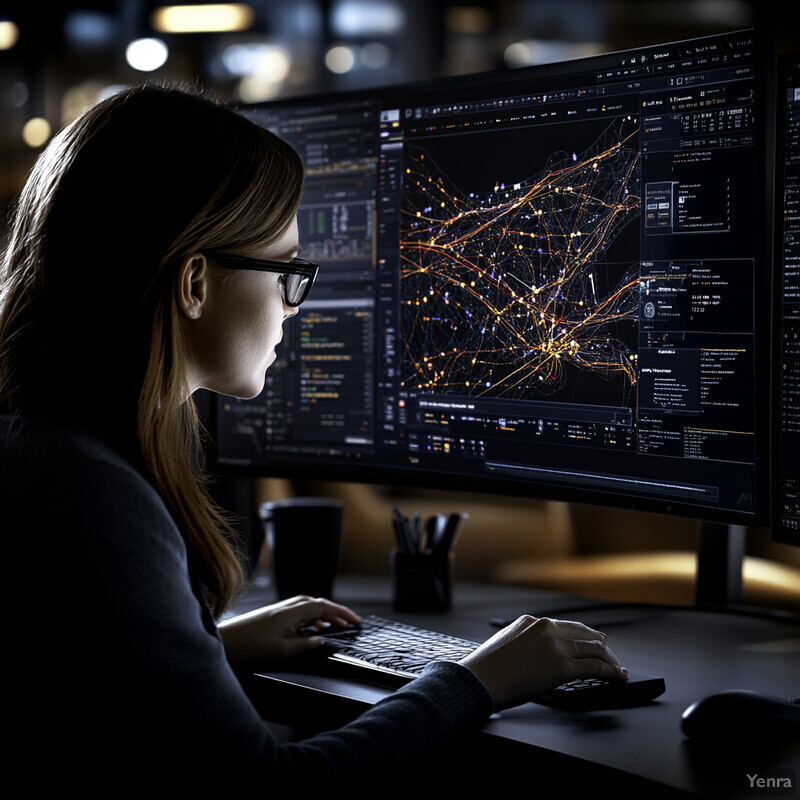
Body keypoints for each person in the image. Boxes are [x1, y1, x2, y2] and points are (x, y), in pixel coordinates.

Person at [0, 84, 626, 790]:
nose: (298, 306)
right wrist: (476, 680)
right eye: (289, 273)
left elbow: (72, 679)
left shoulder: (39, 448)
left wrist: (208, 647)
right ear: (196, 282)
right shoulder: (88, 497)